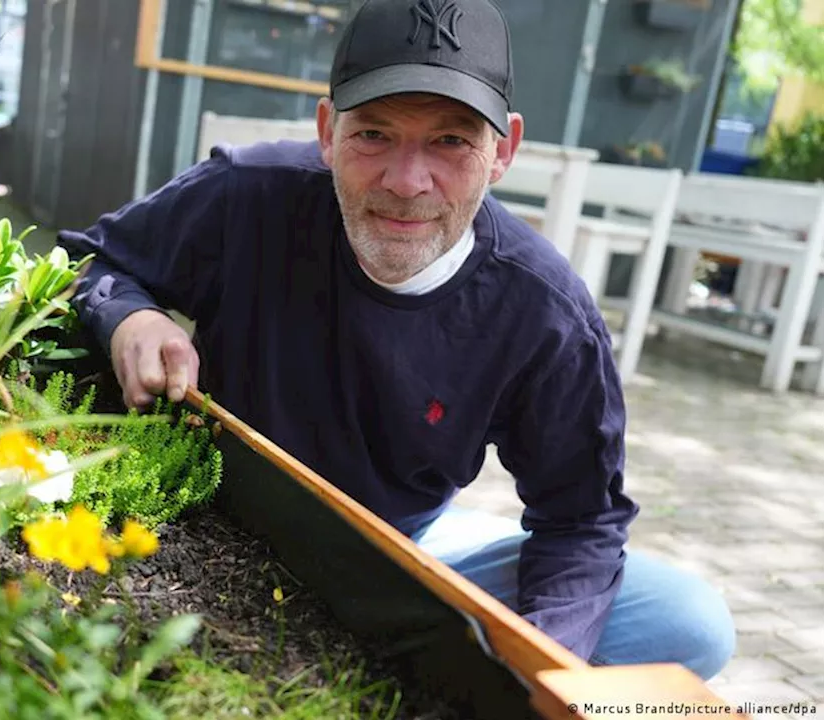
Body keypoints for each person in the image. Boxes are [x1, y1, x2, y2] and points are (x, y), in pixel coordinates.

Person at [55, 0, 735, 681]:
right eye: (374, 135)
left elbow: (582, 521)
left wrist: (540, 669)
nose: (406, 183)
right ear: (327, 132)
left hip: (393, 550)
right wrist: (132, 318)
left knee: (689, 623)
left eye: (450, 141)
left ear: (503, 150)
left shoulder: (545, 313)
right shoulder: (247, 196)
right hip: (214, 522)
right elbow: (90, 261)